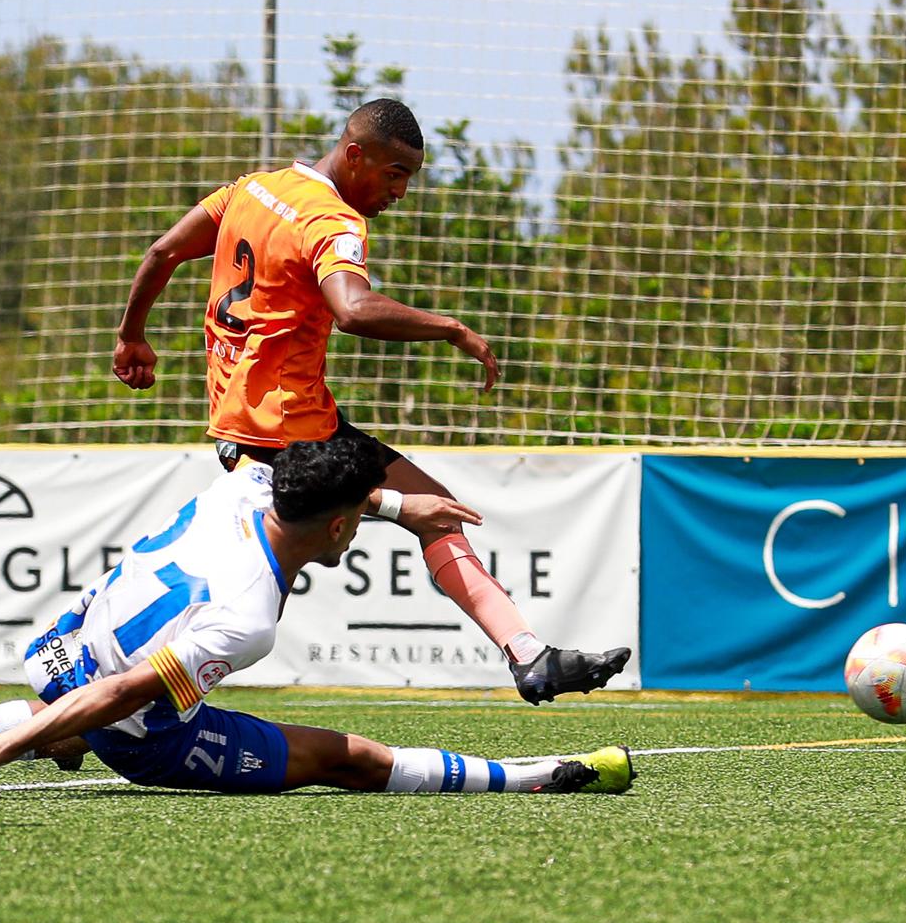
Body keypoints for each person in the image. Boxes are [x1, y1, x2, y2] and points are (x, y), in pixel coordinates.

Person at [111, 98, 630, 705]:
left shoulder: (254, 189)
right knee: (233, 616)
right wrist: (450, 328)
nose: (402, 192)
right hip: (282, 437)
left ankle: (530, 657)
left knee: (431, 509)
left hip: (290, 422)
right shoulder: (332, 222)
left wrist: (131, 336)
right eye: (394, 174)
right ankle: (76, 707)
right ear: (355, 155)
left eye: (409, 176)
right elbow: (353, 309)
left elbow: (162, 252)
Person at [0, 429, 633, 800]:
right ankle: (538, 773)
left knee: (62, 712)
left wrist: (397, 506)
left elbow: (314, 481)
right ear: (339, 525)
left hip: (61, 643)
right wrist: (15, 744)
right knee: (354, 761)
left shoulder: (244, 484)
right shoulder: (249, 616)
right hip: (137, 723)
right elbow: (128, 695)